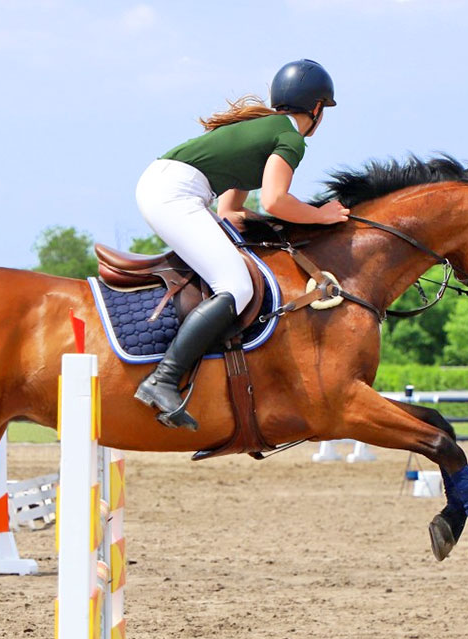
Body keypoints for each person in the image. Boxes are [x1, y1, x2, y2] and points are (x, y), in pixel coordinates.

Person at [134, 59, 349, 430]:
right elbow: (274, 201)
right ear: (316, 109)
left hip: (168, 186)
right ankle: (163, 380)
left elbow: (231, 210)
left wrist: (269, 222)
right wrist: (322, 216)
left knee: (235, 276)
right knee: (236, 286)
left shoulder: (264, 130)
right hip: (175, 193)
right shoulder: (291, 138)